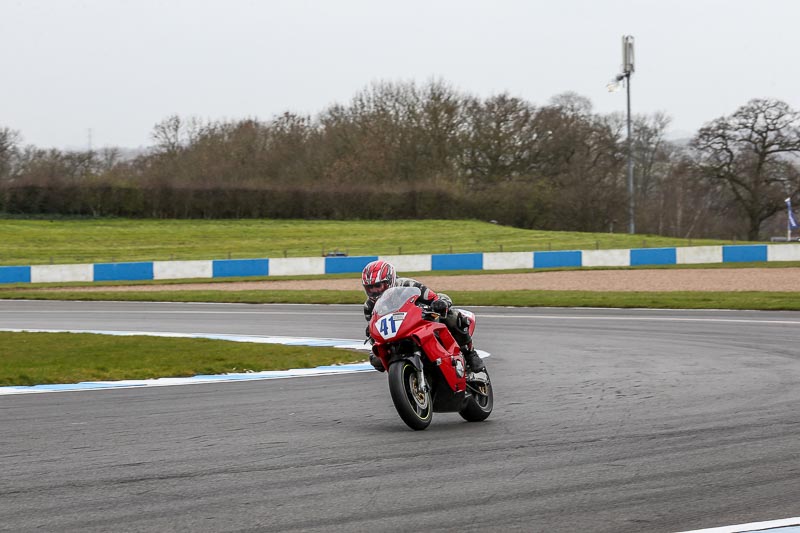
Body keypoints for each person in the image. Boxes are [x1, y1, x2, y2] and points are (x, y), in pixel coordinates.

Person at [361, 259, 485, 373]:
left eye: (378, 286)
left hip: (422, 320)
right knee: (375, 359)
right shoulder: (369, 307)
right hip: (397, 333)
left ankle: (470, 353)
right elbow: (375, 333)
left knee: (452, 316)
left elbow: (435, 297)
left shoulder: (407, 284)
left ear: (390, 280)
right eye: (370, 288)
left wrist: (439, 303)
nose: (375, 291)